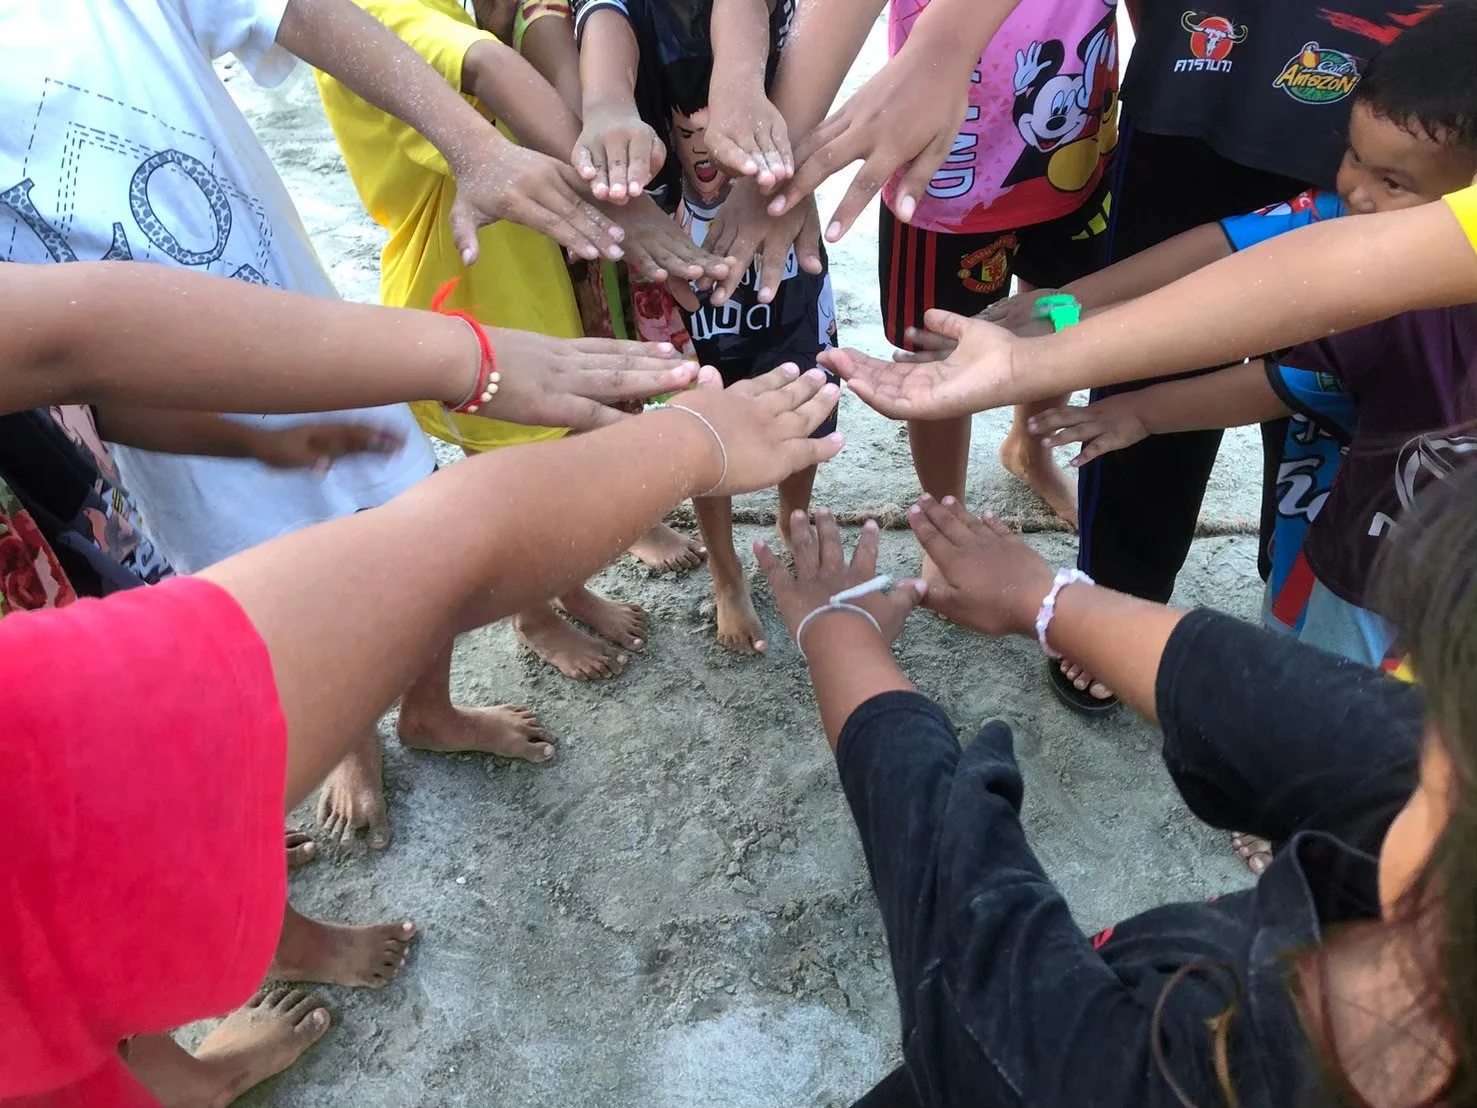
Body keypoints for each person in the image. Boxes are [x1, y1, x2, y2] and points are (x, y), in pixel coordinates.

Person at [1, 363, 841, 1107]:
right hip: (44, 741)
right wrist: (691, 443)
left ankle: (202, 996)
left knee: (126, 877)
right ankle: (199, 1056)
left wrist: (261, 423)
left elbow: (72, 347)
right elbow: (444, 551)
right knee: (102, 879)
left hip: (70, 548)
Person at [756, 484, 1471, 1108]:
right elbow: (1313, 716)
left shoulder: (1086, 1077)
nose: (1409, 727)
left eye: (1435, 730)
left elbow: (951, 892)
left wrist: (837, 637)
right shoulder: (1436, 907)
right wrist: (1047, 602)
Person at [907, 5, 1477, 711]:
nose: (1354, 190)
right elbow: (1245, 287)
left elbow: (1286, 368)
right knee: (1313, 661)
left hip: (1433, 564)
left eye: (1392, 182)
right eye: (1351, 156)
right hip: (1331, 546)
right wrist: (1068, 315)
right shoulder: (1337, 213)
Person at [572, 0, 841, 654]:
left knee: (806, 394)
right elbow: (604, 29)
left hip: (780, 236)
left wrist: (743, 86)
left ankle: (791, 517)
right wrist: (606, 107)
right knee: (702, 422)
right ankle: (726, 575)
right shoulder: (617, 16)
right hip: (670, 263)